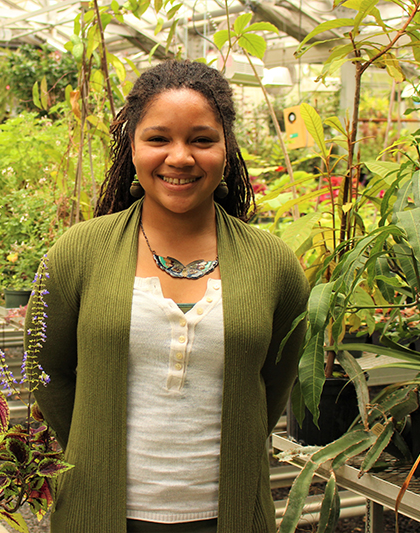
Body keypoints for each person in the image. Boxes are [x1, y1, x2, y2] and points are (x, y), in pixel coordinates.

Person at [26, 59, 310, 533]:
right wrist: (89, 444)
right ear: (132, 148)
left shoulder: (272, 263)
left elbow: (274, 381)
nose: (180, 157)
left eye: (202, 139)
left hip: (230, 515)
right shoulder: (78, 252)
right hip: (101, 512)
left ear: (226, 148)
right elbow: (45, 367)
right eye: (159, 139)